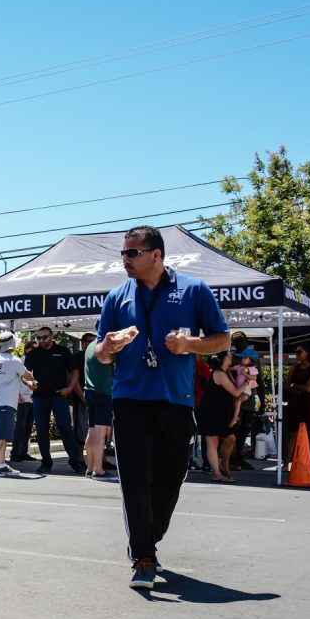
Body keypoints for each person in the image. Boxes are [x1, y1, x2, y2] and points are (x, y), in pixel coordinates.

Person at [96, 225, 230, 590]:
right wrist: (107, 347)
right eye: (123, 253)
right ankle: (143, 556)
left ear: (156, 255)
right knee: (135, 480)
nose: (124, 259)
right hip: (130, 400)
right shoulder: (116, 297)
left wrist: (189, 345)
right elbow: (98, 351)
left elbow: (221, 338)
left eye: (132, 253)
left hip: (176, 400)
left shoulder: (193, 290)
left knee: (169, 480)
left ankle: (149, 537)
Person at [24, 326, 87, 473]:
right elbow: (24, 373)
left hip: (59, 396)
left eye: (44, 337)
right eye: (38, 338)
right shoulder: (33, 354)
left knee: (66, 429)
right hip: (39, 397)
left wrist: (70, 388)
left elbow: (75, 371)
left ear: (52, 336)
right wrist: (28, 383)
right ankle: (46, 462)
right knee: (41, 431)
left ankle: (76, 460)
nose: (41, 340)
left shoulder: (63, 351)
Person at [0, 331, 37, 477]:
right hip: (5, 403)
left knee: (3, 435)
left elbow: (10, 377)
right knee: (0, 436)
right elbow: (28, 375)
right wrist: (32, 382)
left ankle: (1, 464)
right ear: (12, 346)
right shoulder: (14, 360)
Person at [195, 351, 245, 482]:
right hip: (212, 410)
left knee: (230, 438)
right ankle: (216, 472)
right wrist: (248, 382)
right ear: (223, 359)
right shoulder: (219, 373)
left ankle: (223, 465)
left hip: (221, 410)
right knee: (213, 441)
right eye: (228, 355)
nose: (231, 356)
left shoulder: (226, 372)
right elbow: (235, 391)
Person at [228, 332, 266, 471]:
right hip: (235, 398)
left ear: (246, 341)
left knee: (245, 428)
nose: (238, 344)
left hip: (249, 399)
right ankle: (232, 457)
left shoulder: (253, 357)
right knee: (235, 428)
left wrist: (262, 403)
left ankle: (239, 456)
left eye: (241, 341)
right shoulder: (232, 358)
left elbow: (260, 381)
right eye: (236, 342)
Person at [281, 343, 310, 475]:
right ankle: (285, 465)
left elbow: (309, 388)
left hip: (307, 404)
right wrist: (297, 388)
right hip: (294, 403)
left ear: (308, 353)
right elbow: (285, 385)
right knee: (291, 434)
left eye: (299, 352)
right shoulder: (294, 368)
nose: (297, 354)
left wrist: (293, 386)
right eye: (296, 352)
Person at [83, 331, 116, 480]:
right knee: (100, 432)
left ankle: (90, 468)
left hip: (89, 390)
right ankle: (98, 469)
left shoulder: (90, 345)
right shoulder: (104, 346)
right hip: (103, 392)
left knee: (92, 431)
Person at [9, 338, 38, 462]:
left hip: (33, 398)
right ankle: (15, 452)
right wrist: (18, 395)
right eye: (33, 349)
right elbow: (17, 379)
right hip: (23, 399)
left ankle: (23, 451)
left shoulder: (37, 361)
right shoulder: (21, 361)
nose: (36, 351)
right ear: (27, 349)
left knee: (28, 427)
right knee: (20, 426)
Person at [72, 334, 93, 456]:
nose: (94, 343)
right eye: (91, 341)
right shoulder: (77, 357)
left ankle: (101, 460)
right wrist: (83, 398)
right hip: (81, 400)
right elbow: (74, 381)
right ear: (83, 343)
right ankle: (79, 458)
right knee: (80, 431)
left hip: (97, 398)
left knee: (98, 430)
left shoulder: (97, 355)